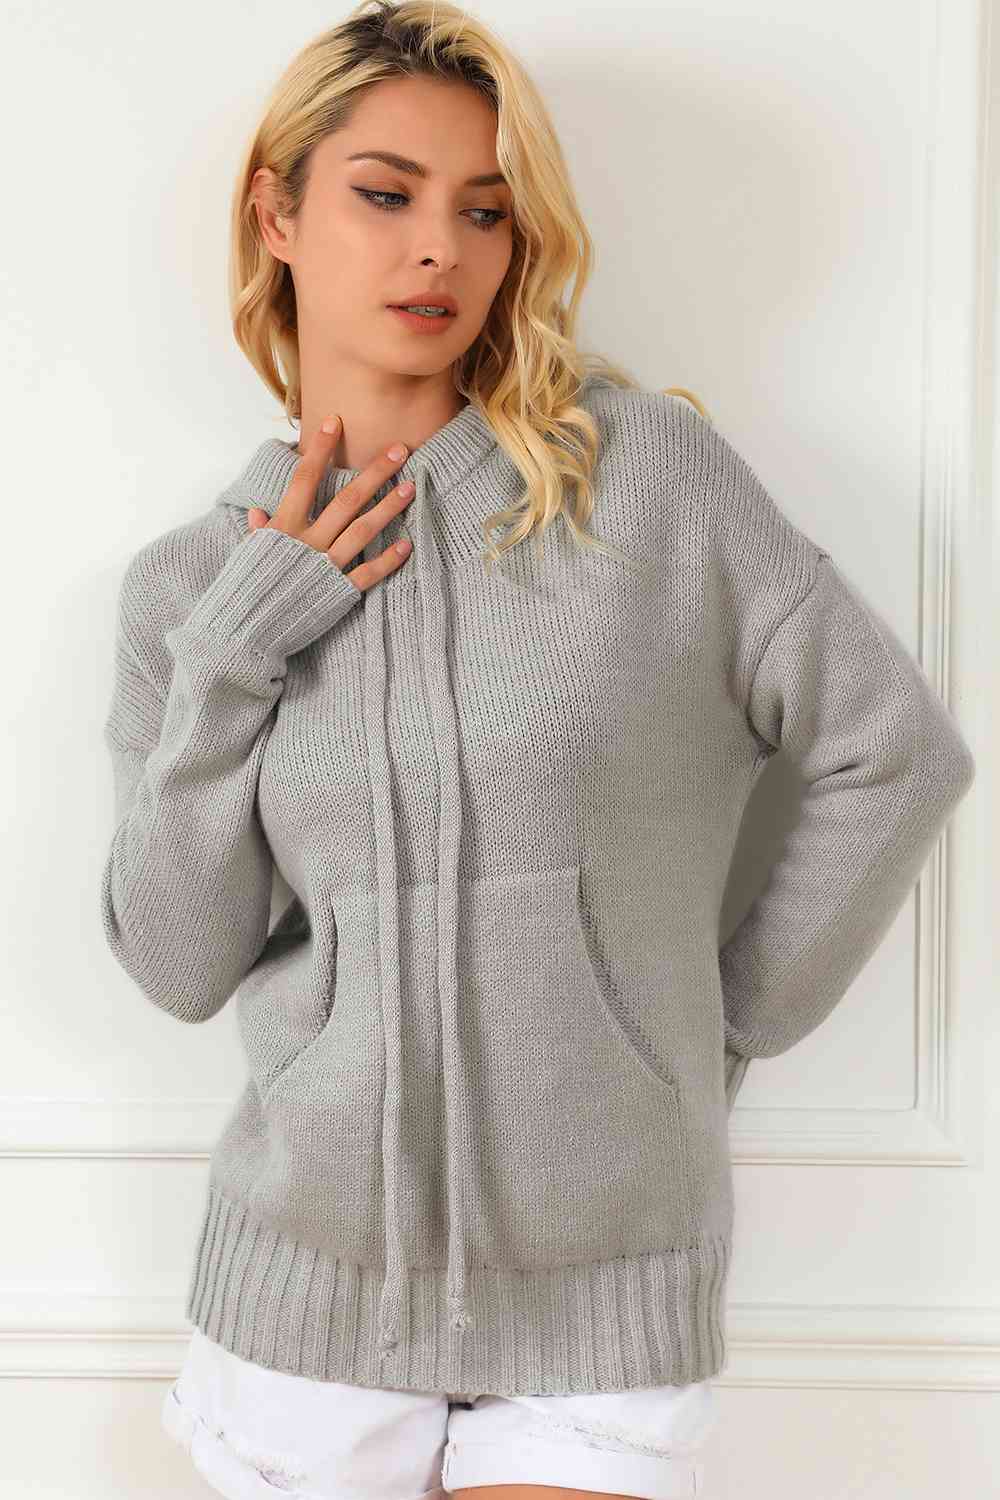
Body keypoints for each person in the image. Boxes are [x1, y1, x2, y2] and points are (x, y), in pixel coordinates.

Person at [98, 3, 976, 1498]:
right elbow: (181, 964)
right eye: (386, 195)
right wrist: (240, 647)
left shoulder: (647, 487)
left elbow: (892, 753)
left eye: (485, 211)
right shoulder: (191, 588)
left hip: (607, 1274)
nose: (437, 248)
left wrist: (710, 1032)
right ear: (278, 215)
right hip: (305, 1292)